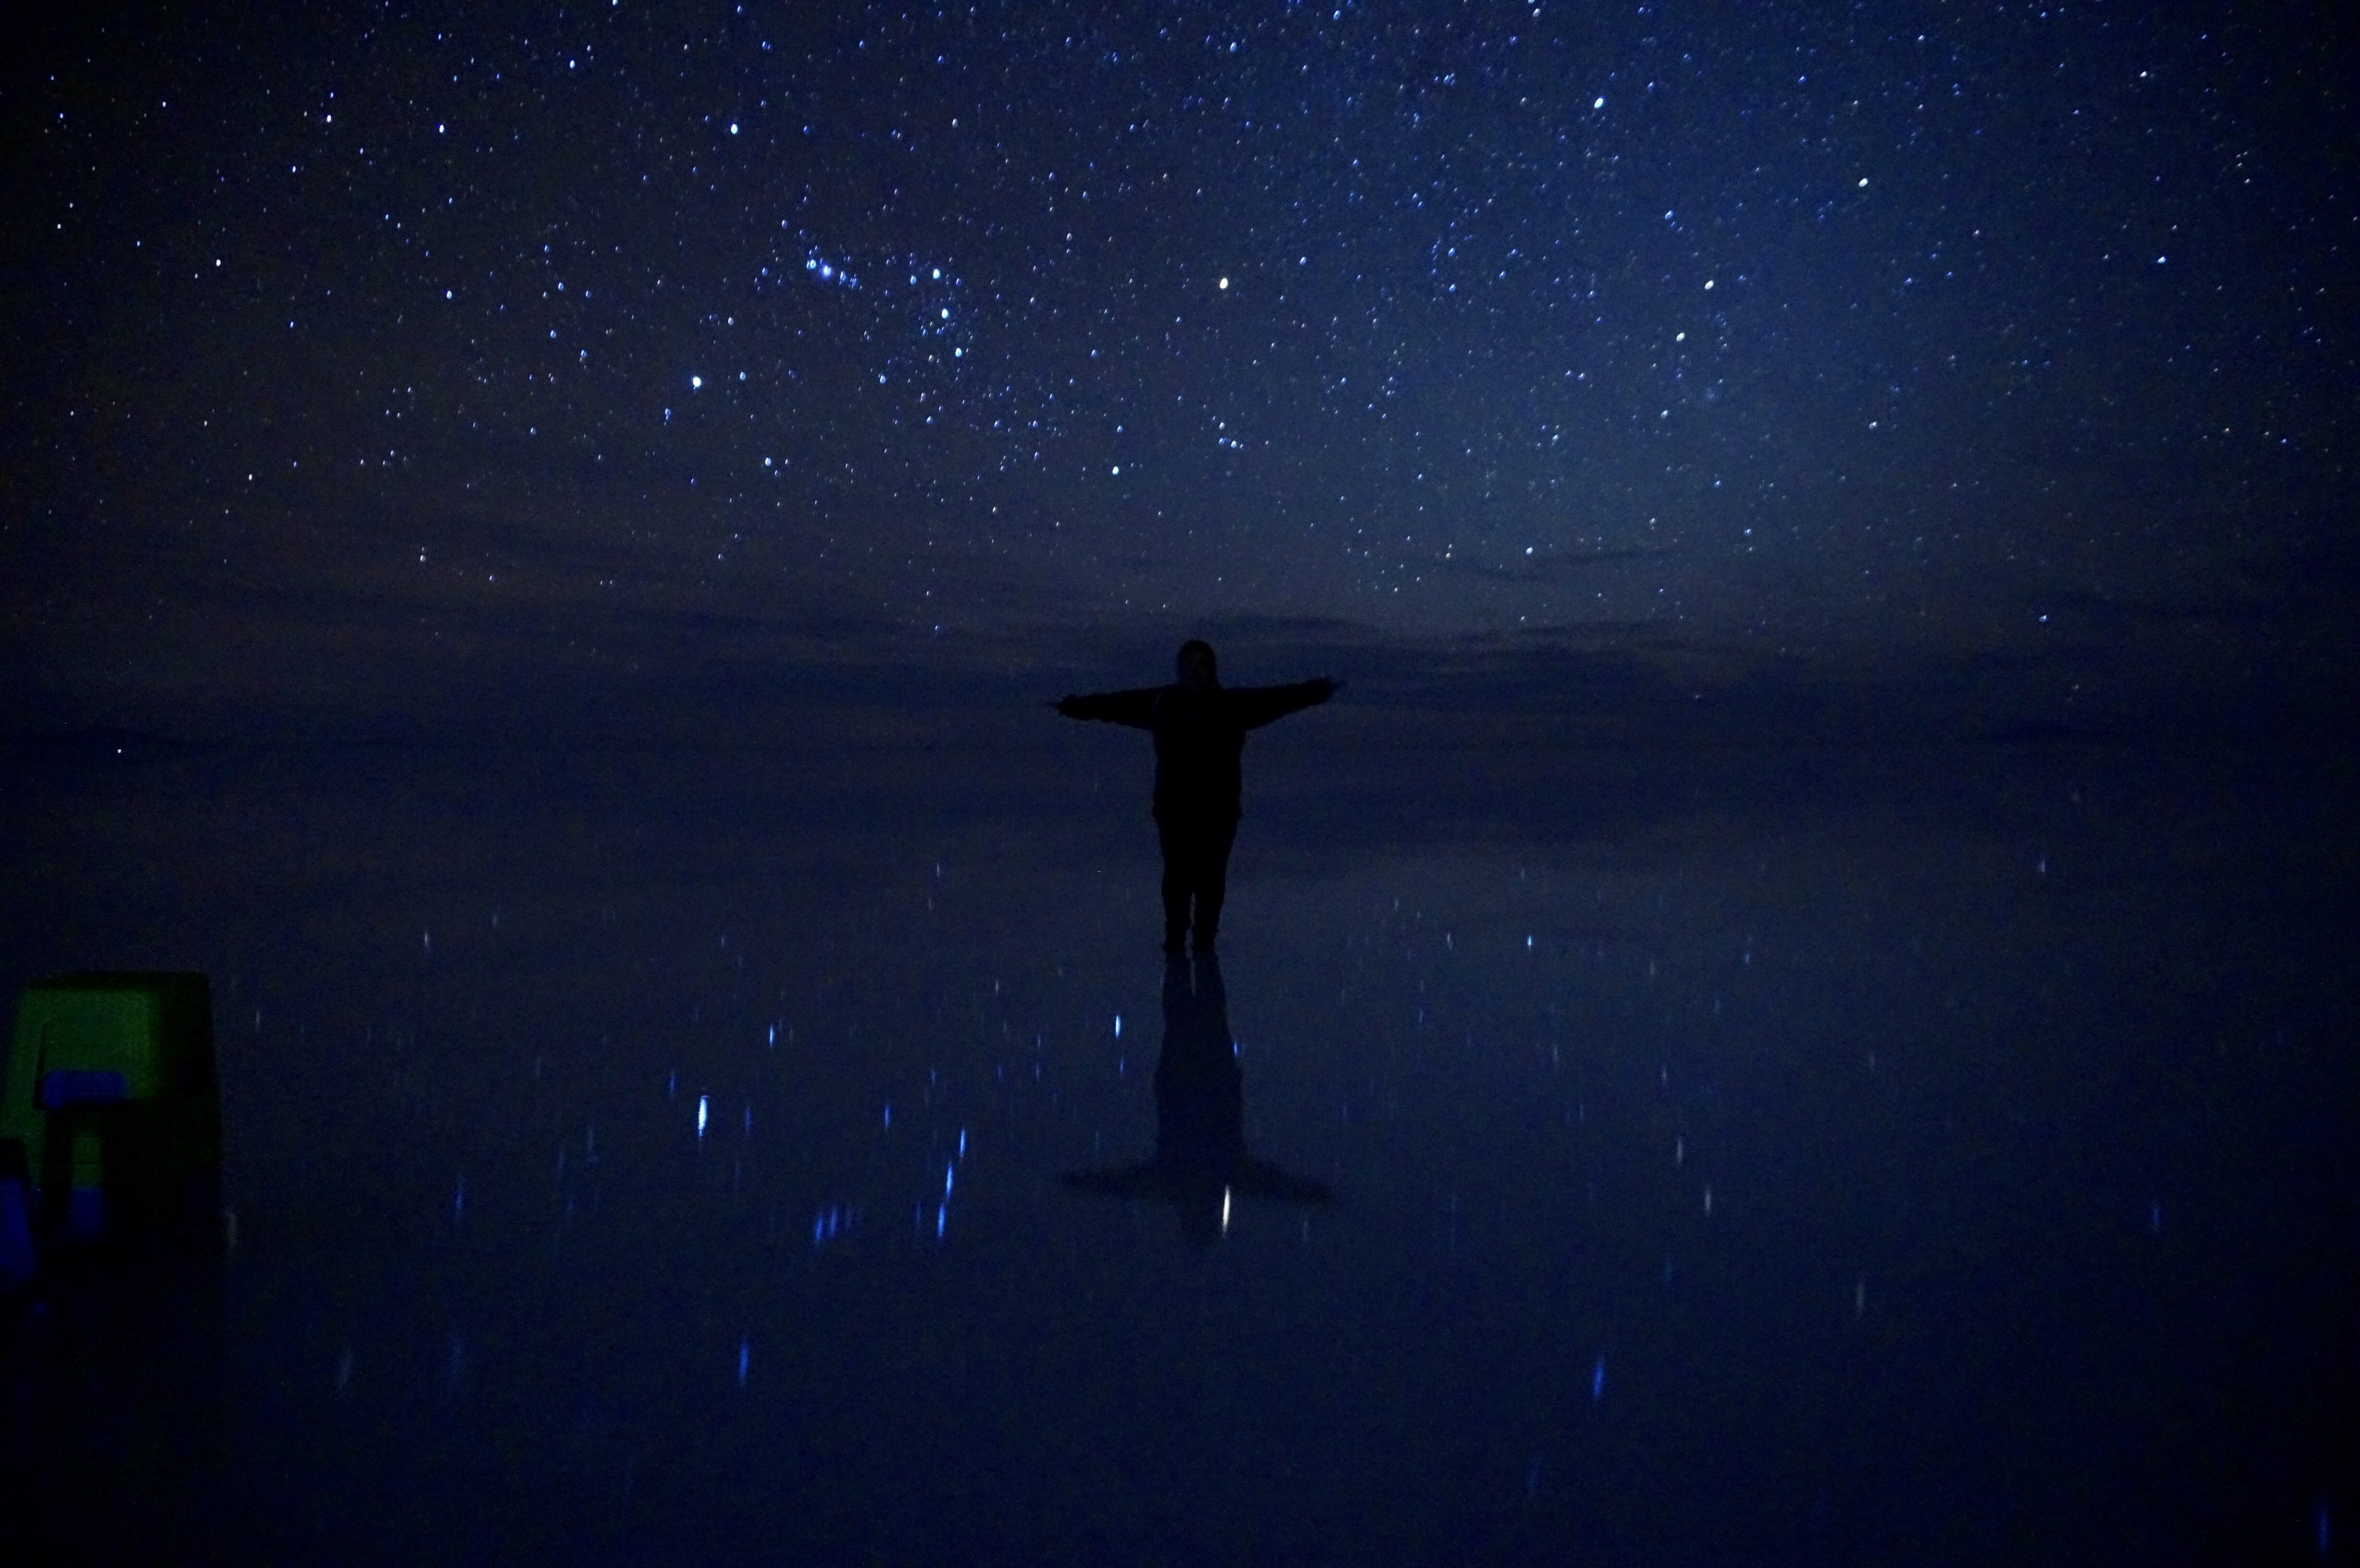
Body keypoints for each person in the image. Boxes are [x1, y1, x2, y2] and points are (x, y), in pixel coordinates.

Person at [1056, 640, 1337, 952]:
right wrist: (1075, 707)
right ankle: (1176, 936)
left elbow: (1279, 699)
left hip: (1219, 810)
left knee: (1211, 878)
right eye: (1189, 664)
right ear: (1179, 671)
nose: (1195, 670)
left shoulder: (1232, 706)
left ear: (1212, 670)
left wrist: (1316, 691)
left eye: (1202, 664)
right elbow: (1114, 705)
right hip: (1174, 809)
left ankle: (1204, 940)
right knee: (1177, 877)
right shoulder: (1162, 703)